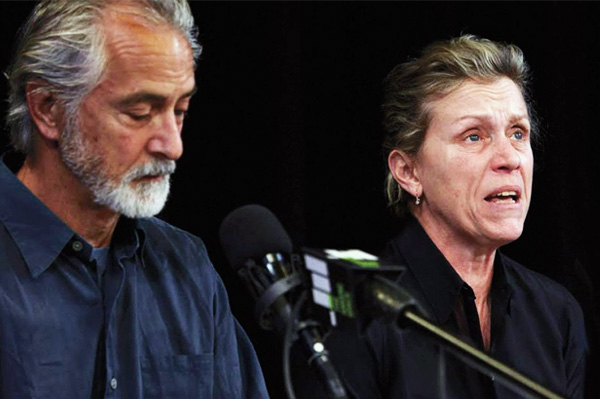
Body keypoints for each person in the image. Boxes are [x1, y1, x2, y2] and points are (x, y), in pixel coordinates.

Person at [0, 0, 268, 398]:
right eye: (140, 113)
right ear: (48, 109)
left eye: (180, 110)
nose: (173, 146)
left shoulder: (187, 265)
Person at [321, 35, 588, 399]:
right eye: (474, 136)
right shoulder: (352, 316)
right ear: (409, 172)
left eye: (517, 133)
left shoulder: (557, 315)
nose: (509, 158)